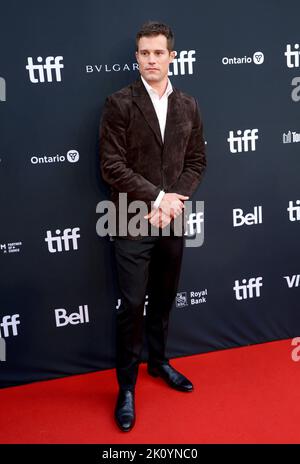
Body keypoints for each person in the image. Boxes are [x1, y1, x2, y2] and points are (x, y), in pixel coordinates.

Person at [99, 21, 206, 432]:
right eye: (144, 53)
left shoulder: (190, 105)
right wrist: (159, 199)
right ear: (136, 58)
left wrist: (173, 200)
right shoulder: (119, 103)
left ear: (171, 56)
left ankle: (159, 363)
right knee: (130, 307)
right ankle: (126, 387)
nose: (151, 60)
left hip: (173, 218)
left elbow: (196, 161)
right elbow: (112, 166)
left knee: (163, 299)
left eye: (158, 53)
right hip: (130, 217)